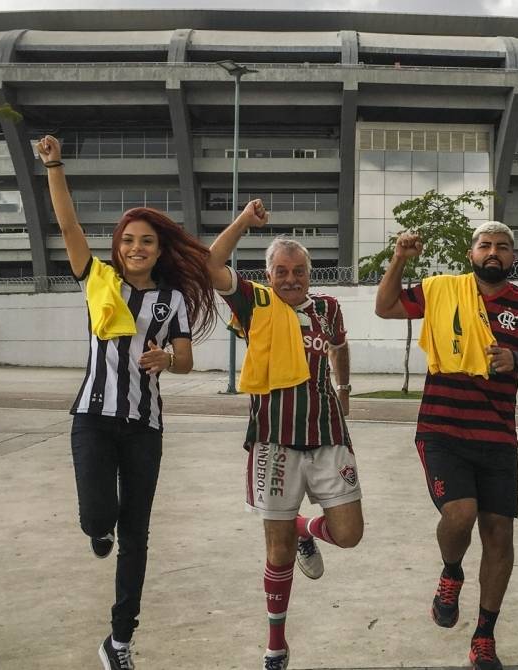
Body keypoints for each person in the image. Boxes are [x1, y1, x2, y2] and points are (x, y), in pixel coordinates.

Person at [35, 135, 219, 670]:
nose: (135, 248)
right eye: (128, 240)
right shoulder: (98, 278)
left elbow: (185, 360)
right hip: (92, 418)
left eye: (146, 242)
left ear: (160, 250)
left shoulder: (173, 299)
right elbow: (68, 226)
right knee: (99, 517)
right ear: (118, 246)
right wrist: (54, 166)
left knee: (137, 534)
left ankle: (119, 640)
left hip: (145, 427)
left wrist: (168, 361)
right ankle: (99, 530)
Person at [374, 221, 518, 670]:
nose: (493, 252)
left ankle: (484, 636)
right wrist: (399, 257)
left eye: (502, 247)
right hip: (443, 429)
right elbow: (385, 307)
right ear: (471, 253)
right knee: (460, 514)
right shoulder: (440, 290)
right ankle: (451, 572)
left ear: (513, 257)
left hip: (498, 436)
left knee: (499, 536)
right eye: (484, 245)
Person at [208, 204, 363, 670]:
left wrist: (344, 387)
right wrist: (241, 222)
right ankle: (276, 644)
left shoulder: (328, 308)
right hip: (273, 440)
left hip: (328, 435)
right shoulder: (254, 303)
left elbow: (339, 346)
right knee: (275, 550)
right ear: (268, 273)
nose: (290, 279)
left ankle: (304, 529)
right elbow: (210, 265)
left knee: (350, 534)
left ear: (309, 274)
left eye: (298, 271)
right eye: (281, 271)